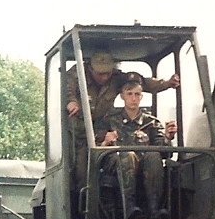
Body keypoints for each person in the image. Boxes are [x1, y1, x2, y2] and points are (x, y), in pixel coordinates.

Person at [66, 50, 179, 191]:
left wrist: (167, 83)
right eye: (100, 74)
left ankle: (146, 209)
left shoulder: (116, 78)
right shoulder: (76, 74)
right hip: (81, 133)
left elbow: (141, 83)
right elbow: (67, 89)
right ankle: (84, 208)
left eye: (107, 73)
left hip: (103, 126)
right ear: (90, 68)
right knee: (83, 173)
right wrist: (71, 102)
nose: (104, 77)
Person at [98, 74, 177, 219]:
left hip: (145, 167)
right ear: (122, 96)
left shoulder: (151, 122)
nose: (133, 98)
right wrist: (105, 142)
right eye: (129, 94)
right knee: (127, 155)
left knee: (153, 155)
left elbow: (165, 153)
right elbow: (97, 152)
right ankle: (129, 207)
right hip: (117, 166)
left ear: (141, 97)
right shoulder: (109, 120)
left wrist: (167, 137)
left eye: (137, 94)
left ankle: (155, 210)